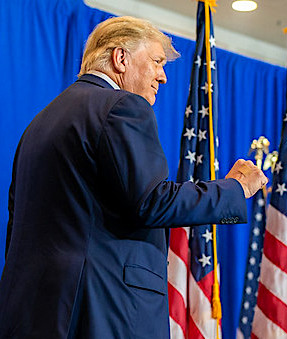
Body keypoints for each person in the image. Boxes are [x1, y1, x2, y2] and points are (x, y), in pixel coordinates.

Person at [0, 16, 267, 338]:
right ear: (121, 58)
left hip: (32, 310)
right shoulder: (121, 106)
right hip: (101, 308)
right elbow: (152, 202)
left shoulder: (39, 124)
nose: (163, 77)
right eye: (156, 61)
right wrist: (235, 188)